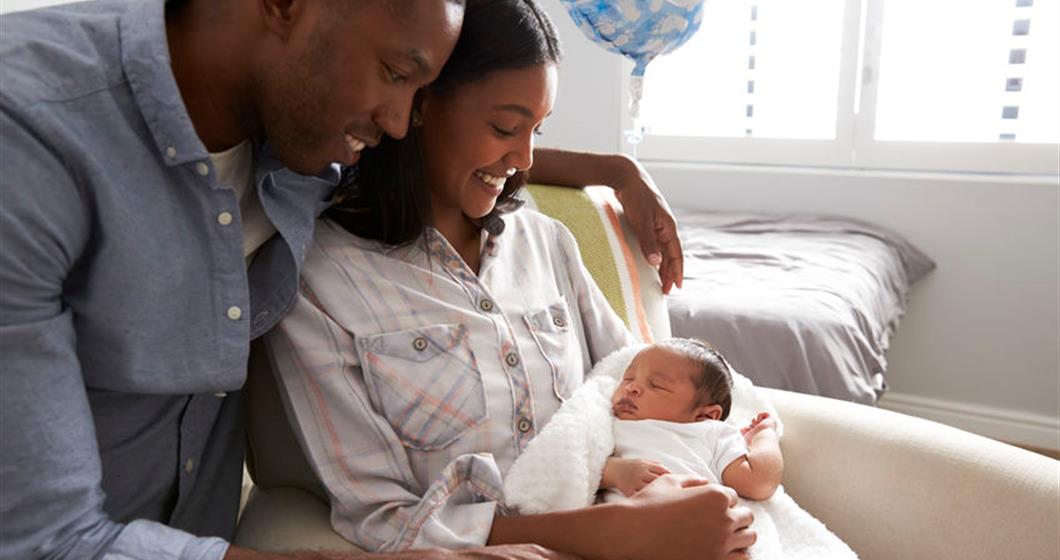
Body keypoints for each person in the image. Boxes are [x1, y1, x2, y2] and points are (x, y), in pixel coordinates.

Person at [0, 1, 684, 559]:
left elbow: (451, 143)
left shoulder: (305, 125)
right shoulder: (29, 137)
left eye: (417, 91)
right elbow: (44, 538)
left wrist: (614, 171)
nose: (397, 122)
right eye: (395, 72)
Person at [264, 1, 755, 559]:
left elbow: (637, 379)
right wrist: (616, 535)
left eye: (537, 130)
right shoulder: (323, 280)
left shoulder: (545, 243)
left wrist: (732, 462)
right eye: (505, 126)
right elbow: (383, 517)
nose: (524, 159)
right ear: (418, 103)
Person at [601, 338, 784, 502]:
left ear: (704, 415)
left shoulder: (710, 432)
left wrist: (764, 435)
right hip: (620, 530)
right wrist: (614, 472)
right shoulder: (605, 421)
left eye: (657, 385)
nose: (632, 387)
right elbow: (578, 466)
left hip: (694, 527)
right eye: (628, 378)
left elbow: (758, 484)